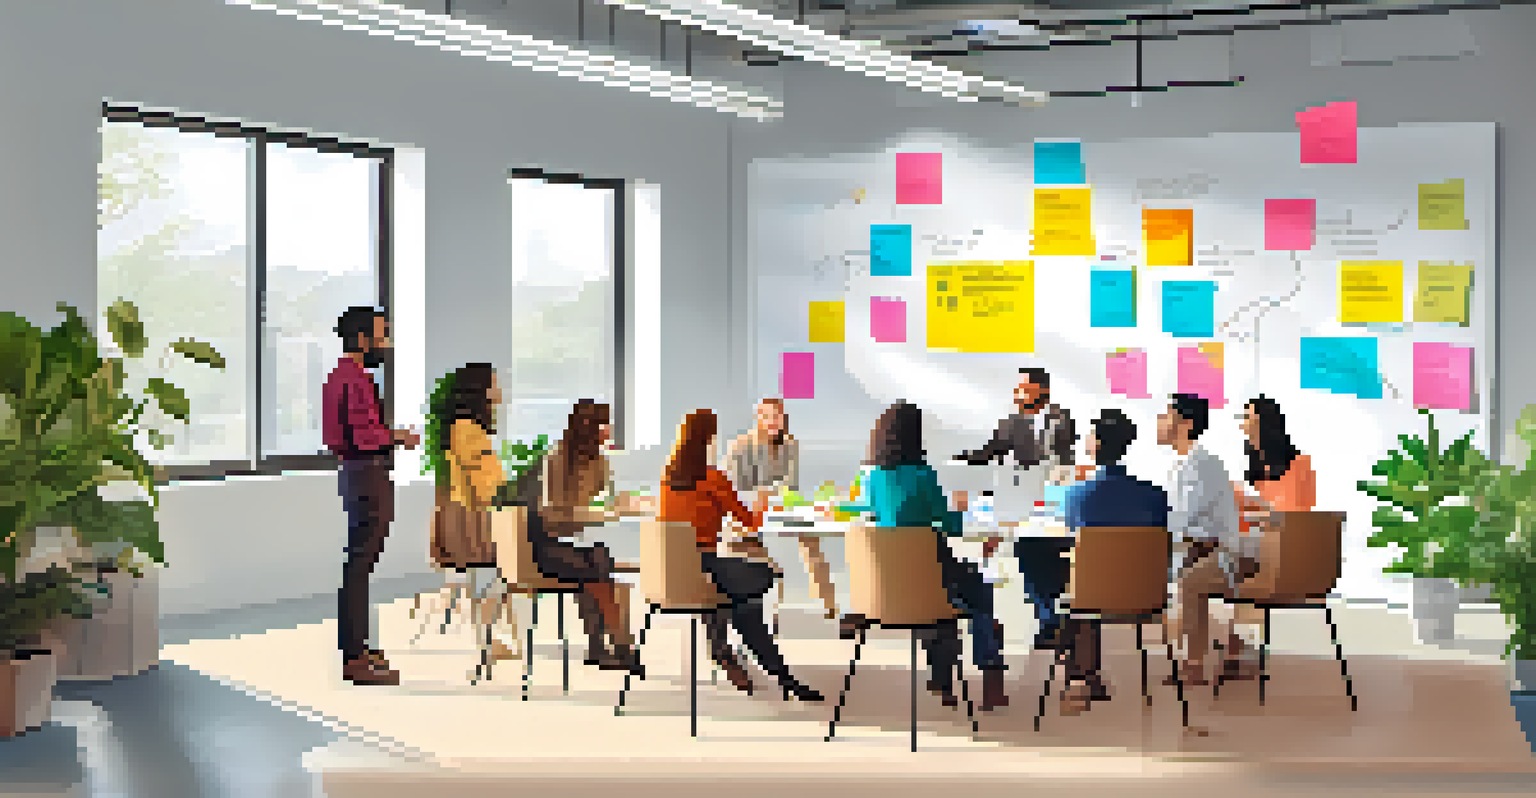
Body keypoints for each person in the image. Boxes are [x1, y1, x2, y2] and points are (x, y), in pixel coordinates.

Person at [840, 402, 1009, 712]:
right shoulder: (923, 475)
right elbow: (952, 527)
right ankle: (990, 677)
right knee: (977, 592)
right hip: (931, 572)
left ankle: (941, 677)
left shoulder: (872, 475)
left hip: (886, 585)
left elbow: (865, 511)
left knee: (936, 598)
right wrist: (958, 507)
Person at [659, 410, 825, 702]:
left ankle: (727, 653)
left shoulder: (667, 477)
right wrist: (762, 502)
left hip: (669, 573)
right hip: (704, 567)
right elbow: (749, 522)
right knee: (761, 577)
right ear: (708, 440)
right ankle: (776, 673)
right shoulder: (712, 478)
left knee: (736, 593)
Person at [324, 306, 420, 686]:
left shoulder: (339, 375)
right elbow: (366, 437)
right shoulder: (356, 379)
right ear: (363, 338)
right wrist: (399, 437)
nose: (387, 343)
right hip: (367, 476)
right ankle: (355, 657)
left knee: (358, 564)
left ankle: (359, 648)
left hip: (355, 475)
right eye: (382, 334)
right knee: (360, 566)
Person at [1053, 409, 1170, 716]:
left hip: (1092, 593)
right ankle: (1084, 675)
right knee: (1089, 581)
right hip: (1146, 595)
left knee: (1073, 583)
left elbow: (1070, 533)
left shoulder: (1077, 495)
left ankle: (1079, 672)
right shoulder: (1155, 495)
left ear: (1099, 444)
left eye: (1090, 436)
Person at [956, 367, 1078, 650]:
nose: (1016, 393)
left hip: (1053, 498)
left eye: (1023, 388)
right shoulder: (1012, 422)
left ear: (1042, 391)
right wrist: (960, 460)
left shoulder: (1060, 419)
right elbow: (990, 451)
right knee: (1027, 549)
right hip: (1024, 500)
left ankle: (1053, 619)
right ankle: (1050, 620)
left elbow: (1062, 458)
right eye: (1017, 388)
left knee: (1047, 551)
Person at [535, 400, 643, 675]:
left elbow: (604, 500)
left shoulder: (600, 461)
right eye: (604, 423)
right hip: (549, 545)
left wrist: (620, 505)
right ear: (589, 426)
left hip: (581, 543)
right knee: (596, 565)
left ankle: (603, 646)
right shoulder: (557, 458)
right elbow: (553, 511)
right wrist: (597, 512)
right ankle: (618, 644)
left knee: (597, 560)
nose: (610, 429)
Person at [1219, 394, 1318, 683]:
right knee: (1237, 562)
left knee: (1235, 561)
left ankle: (1238, 647)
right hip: (1264, 544)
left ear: (1265, 423)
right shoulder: (1259, 469)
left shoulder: (1299, 464)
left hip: (1290, 550)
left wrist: (1257, 511)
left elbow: (1296, 518)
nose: (1243, 424)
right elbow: (1264, 512)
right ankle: (1239, 646)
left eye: (1248, 417)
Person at [1155, 393, 1246, 687]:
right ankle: (1192, 655)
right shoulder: (1184, 463)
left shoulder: (1200, 465)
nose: (1159, 420)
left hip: (1227, 555)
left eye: (1166, 414)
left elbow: (1182, 518)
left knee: (1190, 581)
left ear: (1185, 423)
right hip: (1201, 549)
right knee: (1181, 574)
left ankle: (1194, 665)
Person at [429, 363, 519, 661]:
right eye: (494, 384)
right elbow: (488, 482)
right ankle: (488, 642)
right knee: (498, 574)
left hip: (465, 510)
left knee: (491, 576)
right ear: (480, 391)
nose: (500, 391)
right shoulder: (468, 429)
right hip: (474, 514)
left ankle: (491, 640)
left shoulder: (461, 427)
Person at [723, 399, 839, 622]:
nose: (772, 421)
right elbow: (733, 486)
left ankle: (830, 606)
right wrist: (765, 492)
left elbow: (790, 485)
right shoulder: (740, 446)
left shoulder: (789, 445)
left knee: (811, 542)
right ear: (758, 419)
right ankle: (771, 612)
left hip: (779, 510)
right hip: (745, 515)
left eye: (776, 416)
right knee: (766, 557)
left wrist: (772, 493)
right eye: (766, 416)